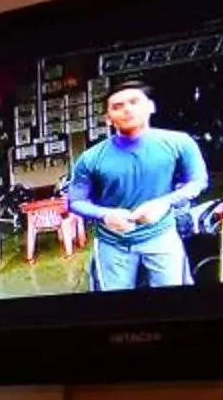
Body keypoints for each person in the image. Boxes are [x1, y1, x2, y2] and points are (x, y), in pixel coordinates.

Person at [62, 83, 206, 289]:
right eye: (118, 106)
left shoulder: (179, 143)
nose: (127, 109)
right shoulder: (90, 158)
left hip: (161, 235)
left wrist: (164, 203)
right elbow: (75, 201)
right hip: (113, 243)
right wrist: (105, 215)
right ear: (108, 118)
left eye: (134, 102)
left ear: (151, 107)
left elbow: (198, 181)